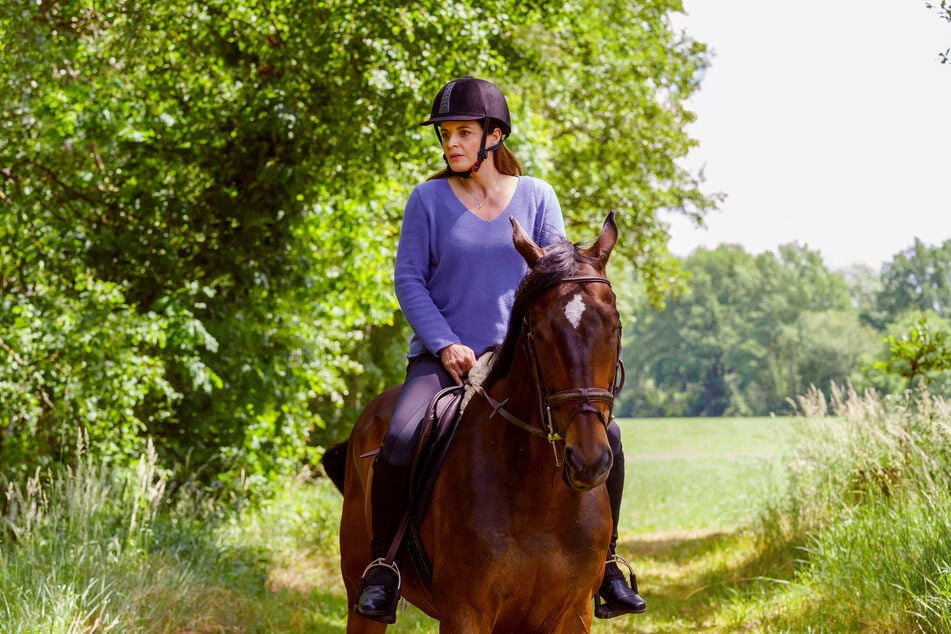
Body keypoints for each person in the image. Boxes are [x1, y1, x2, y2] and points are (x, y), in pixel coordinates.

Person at [354, 76, 646, 624]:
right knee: (399, 435)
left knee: (608, 437)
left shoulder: (537, 196)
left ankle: (605, 563)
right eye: (445, 135)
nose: (451, 145)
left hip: (519, 360)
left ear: (494, 136)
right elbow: (409, 280)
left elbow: (557, 280)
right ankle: (384, 569)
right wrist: (444, 345)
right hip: (444, 361)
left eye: (463, 132)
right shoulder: (428, 200)